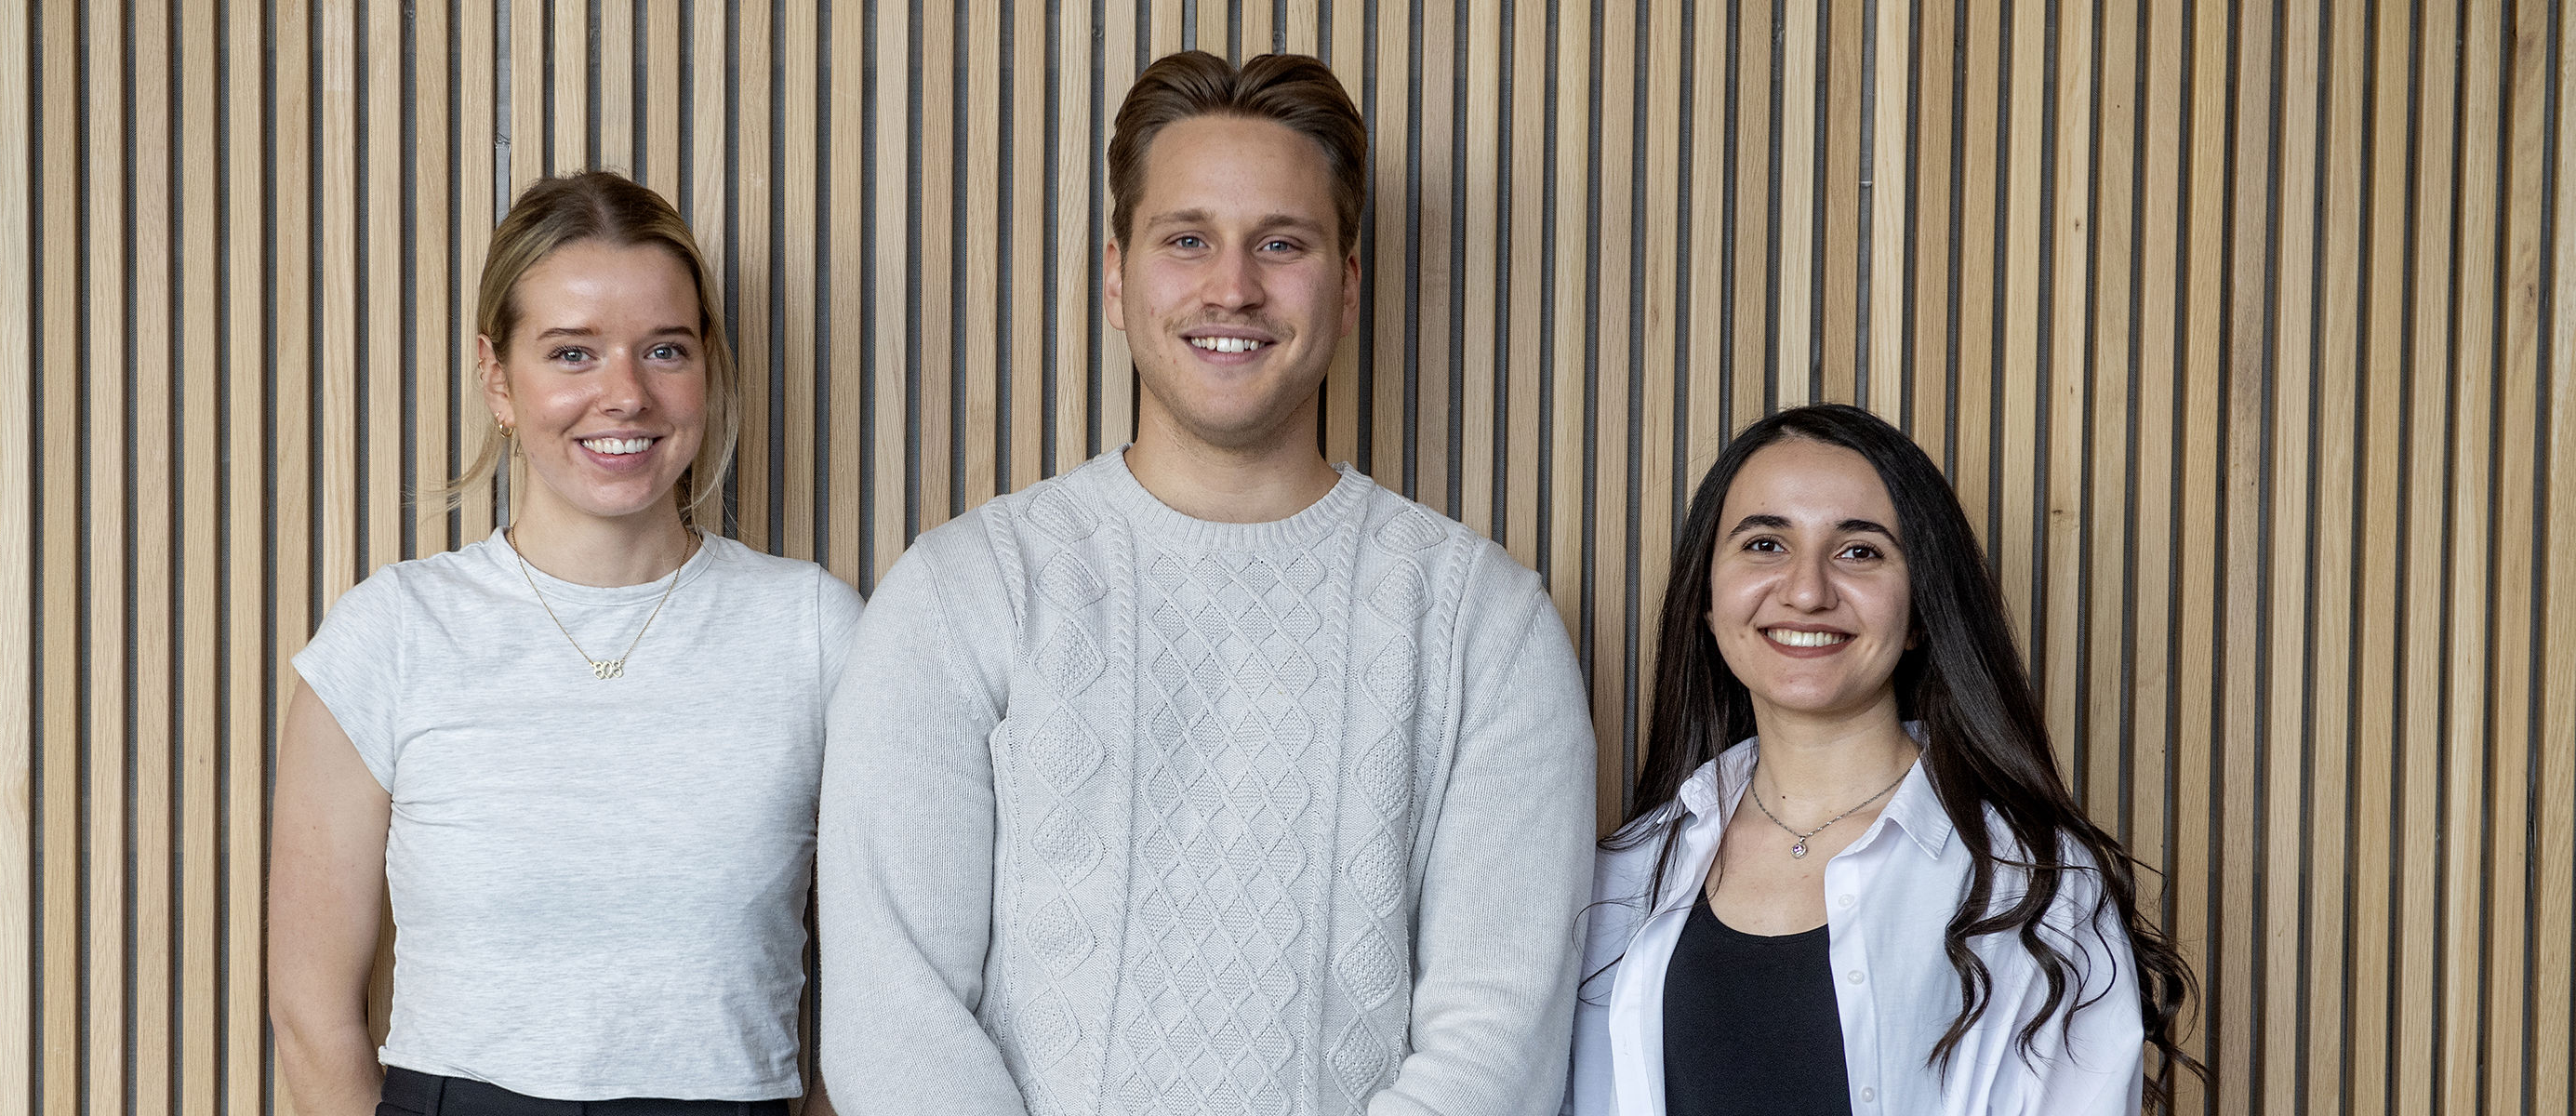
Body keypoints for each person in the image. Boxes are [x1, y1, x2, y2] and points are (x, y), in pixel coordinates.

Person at [817, 49, 1597, 1116]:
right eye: (1187, 240)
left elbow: (1497, 1034)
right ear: (1115, 276)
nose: (1232, 286)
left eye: (1283, 243)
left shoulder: (1486, 624)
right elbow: (892, 1017)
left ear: (1349, 284)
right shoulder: (964, 592)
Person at [268, 170, 861, 1116]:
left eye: (663, 350)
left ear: (708, 367)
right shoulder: (390, 638)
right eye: (572, 354)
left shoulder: (818, 635)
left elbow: (886, 992)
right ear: (498, 378)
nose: (623, 395)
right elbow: (310, 1015)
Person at [1566, 404, 2203, 1114]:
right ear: (1708, 601)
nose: (1806, 591)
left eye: (1860, 551)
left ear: (1920, 613)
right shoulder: (1620, 878)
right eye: (1765, 545)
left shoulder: (2033, 882)